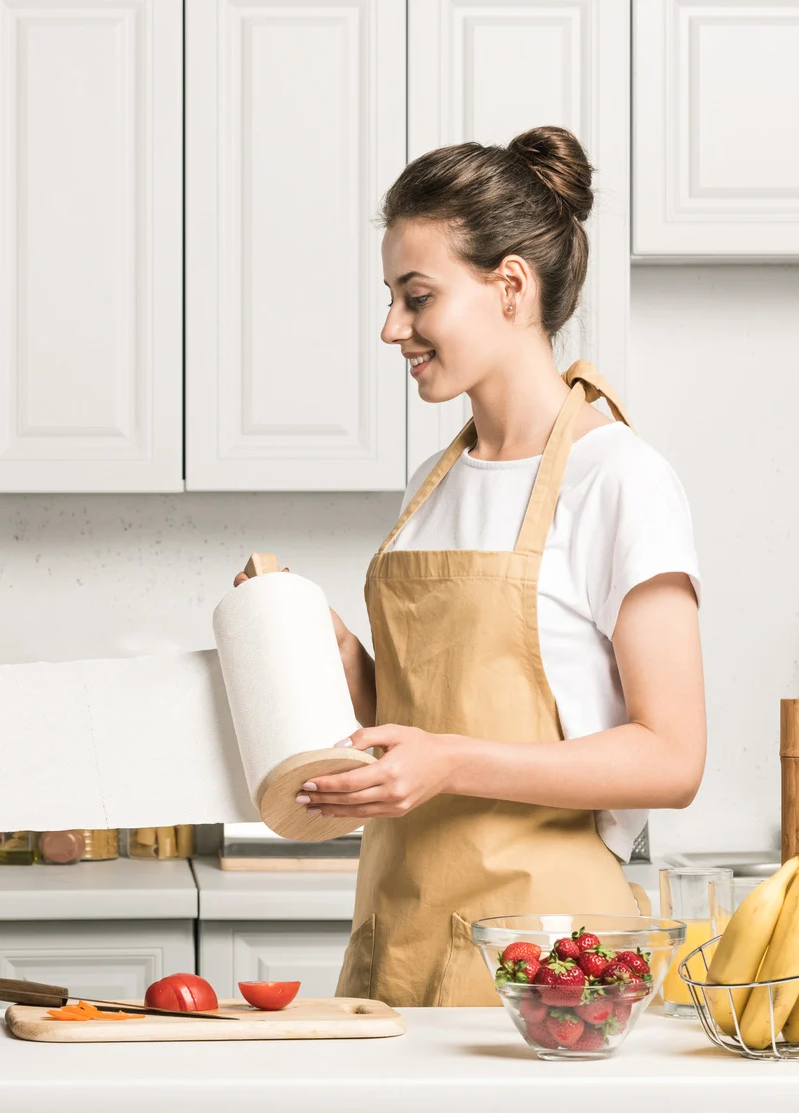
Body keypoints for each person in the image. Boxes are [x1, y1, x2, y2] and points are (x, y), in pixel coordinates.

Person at [302, 128, 706, 1007]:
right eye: (391, 298)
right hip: (401, 943)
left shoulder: (620, 477)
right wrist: (334, 658)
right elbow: (420, 726)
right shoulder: (434, 483)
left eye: (417, 297)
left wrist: (448, 762)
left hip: (551, 967)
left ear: (511, 287)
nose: (391, 328)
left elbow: (672, 757)